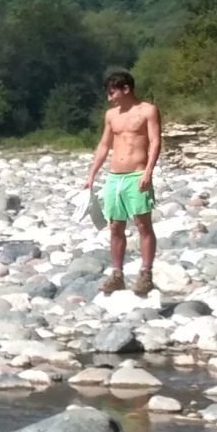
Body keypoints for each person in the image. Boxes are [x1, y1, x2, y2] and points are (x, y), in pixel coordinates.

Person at [83, 68, 161, 295]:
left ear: (126, 89)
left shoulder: (148, 111)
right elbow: (104, 145)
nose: (110, 98)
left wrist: (148, 171)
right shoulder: (111, 115)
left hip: (137, 174)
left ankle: (145, 273)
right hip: (115, 176)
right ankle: (117, 274)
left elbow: (155, 142)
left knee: (143, 224)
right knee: (115, 226)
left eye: (112, 93)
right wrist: (92, 174)